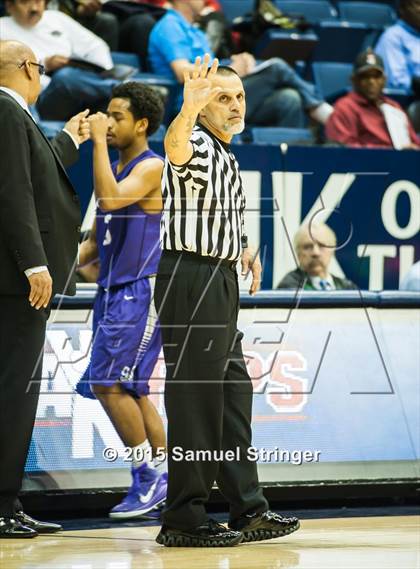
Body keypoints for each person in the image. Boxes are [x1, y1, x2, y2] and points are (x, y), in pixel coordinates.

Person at [154, 54, 300, 547]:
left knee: (234, 397)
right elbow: (174, 149)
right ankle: (183, 518)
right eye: (223, 97)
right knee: (196, 402)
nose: (236, 105)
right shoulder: (195, 139)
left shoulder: (225, 154)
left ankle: (247, 509)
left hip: (217, 277)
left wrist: (241, 248)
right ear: (202, 105)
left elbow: (208, 212)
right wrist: (187, 110)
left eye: (239, 96)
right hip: (190, 280)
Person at [0, 40, 88, 538]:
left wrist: (68, 142)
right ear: (30, 69)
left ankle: (7, 501)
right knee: (13, 395)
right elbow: (14, 190)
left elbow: (34, 172)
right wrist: (34, 262)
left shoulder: (14, 116)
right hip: (15, 283)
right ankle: (2, 505)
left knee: (12, 391)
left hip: (13, 283)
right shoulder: (6, 112)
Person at [75, 82, 168, 519]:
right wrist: (43, 269)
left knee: (107, 383)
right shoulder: (112, 169)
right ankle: (163, 477)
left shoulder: (152, 167)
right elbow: (93, 246)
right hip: (112, 292)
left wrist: (93, 141)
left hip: (140, 291)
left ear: (142, 124)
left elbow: (112, 197)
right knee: (131, 387)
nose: (107, 123)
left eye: (116, 116)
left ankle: (149, 477)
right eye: (105, 116)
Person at [148, 0, 332, 127]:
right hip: (194, 105)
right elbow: (182, 72)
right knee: (277, 67)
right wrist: (228, 70)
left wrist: (239, 62)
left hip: (219, 95)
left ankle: (292, 159)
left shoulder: (195, 30)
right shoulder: (170, 25)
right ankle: (322, 111)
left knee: (289, 99)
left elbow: (211, 66)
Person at [0, 0, 120, 120]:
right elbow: (11, 74)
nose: (34, 8)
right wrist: (44, 64)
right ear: (9, 6)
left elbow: (96, 46)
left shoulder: (56, 17)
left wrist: (105, 71)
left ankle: (111, 85)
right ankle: (120, 88)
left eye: (38, 2)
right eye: (25, 3)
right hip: (43, 97)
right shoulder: (2, 28)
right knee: (64, 77)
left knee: (72, 76)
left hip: (81, 84)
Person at [325, 49, 420, 149]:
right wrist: (389, 152)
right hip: (366, 163)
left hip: (403, 162)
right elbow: (344, 151)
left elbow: (414, 143)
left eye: (376, 77)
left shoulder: (394, 107)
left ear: (384, 80)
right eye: (365, 77)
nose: (371, 82)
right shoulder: (345, 108)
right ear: (354, 80)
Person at [375, 0, 420, 131]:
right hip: (409, 102)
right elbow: (396, 83)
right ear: (402, 10)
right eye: (416, 4)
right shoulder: (393, 37)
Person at [277, 223, 357, 291]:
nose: (315, 253)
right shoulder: (288, 288)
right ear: (298, 253)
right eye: (307, 247)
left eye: (322, 245)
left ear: (332, 250)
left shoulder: (347, 287)